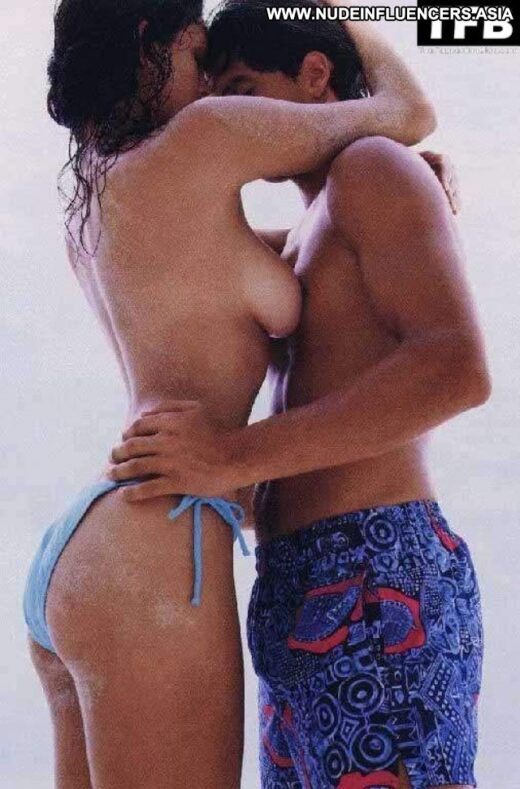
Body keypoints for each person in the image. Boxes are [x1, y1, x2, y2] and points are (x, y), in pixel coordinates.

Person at [22, 0, 437, 786]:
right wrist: (337, 16)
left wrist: (374, 222)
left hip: (93, 546)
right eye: (200, 56)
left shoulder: (99, 189)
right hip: (157, 553)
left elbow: (261, 277)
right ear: (158, 40)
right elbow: (407, 113)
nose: (210, 85)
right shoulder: (203, 137)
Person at [110, 2, 490, 787]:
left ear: (316, 75)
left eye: (244, 89)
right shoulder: (312, 226)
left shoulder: (372, 168)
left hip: (376, 575)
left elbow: (456, 368)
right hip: (299, 585)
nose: (234, 117)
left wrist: (228, 456)